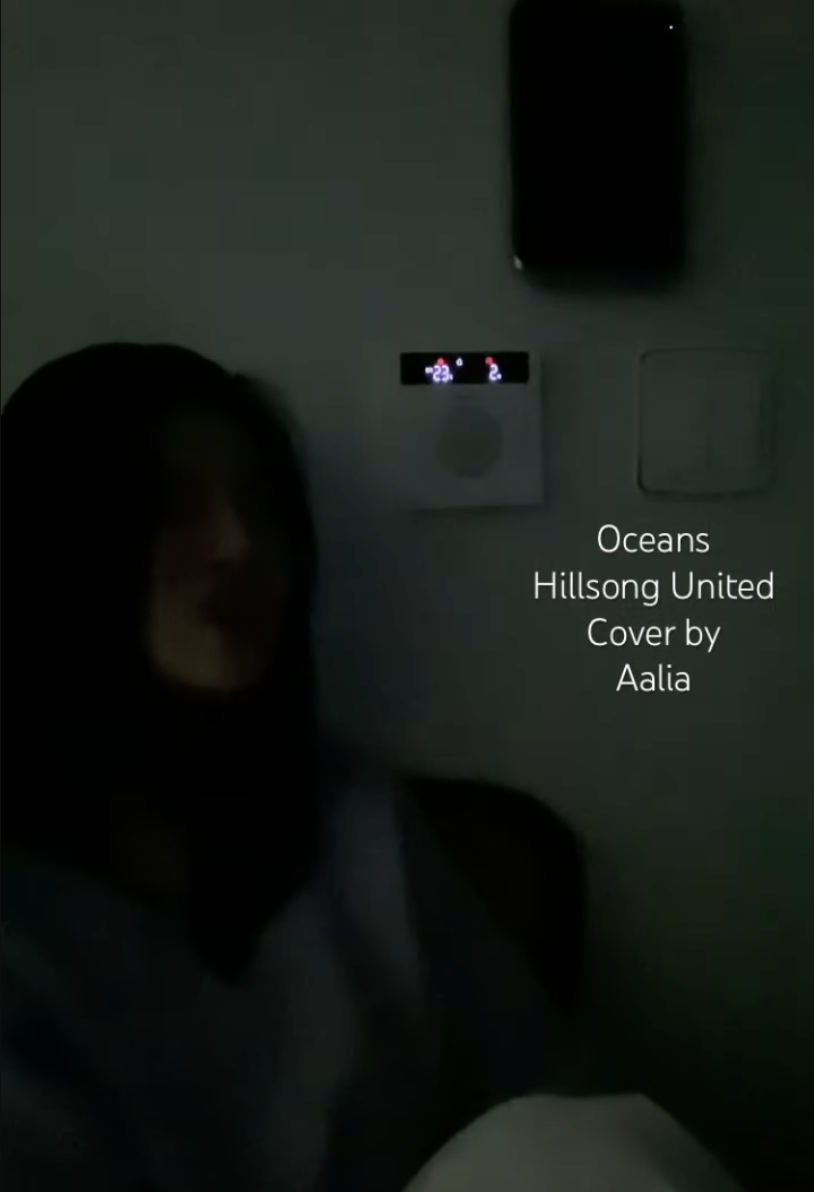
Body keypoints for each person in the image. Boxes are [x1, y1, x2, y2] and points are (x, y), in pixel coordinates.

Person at [0, 343, 741, 1192]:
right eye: (168, 505)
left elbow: (549, 1095)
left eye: (263, 505)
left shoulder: (357, 824)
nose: (238, 544)